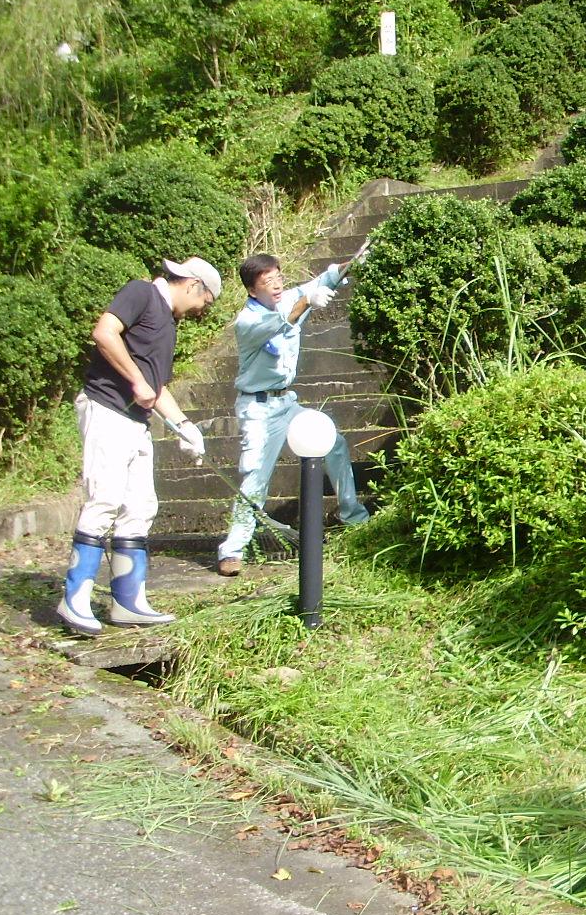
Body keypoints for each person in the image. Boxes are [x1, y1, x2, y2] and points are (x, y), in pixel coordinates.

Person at [57, 257, 221, 636]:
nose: (201, 311)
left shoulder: (168, 323)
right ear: (193, 285)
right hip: (106, 408)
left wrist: (184, 426)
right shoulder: (142, 292)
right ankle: (75, 599)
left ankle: (128, 601)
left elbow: (156, 387)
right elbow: (104, 333)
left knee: (141, 506)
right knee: (104, 500)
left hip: (136, 421)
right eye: (205, 302)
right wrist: (135, 380)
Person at [215, 250, 370, 577]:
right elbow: (285, 321)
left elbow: (329, 275)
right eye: (266, 281)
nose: (276, 285)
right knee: (256, 476)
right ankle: (233, 549)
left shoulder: (290, 296)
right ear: (252, 289)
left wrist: (354, 261)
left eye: (278, 277)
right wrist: (307, 302)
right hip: (257, 408)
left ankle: (352, 515)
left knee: (334, 443)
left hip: (286, 402)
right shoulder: (248, 321)